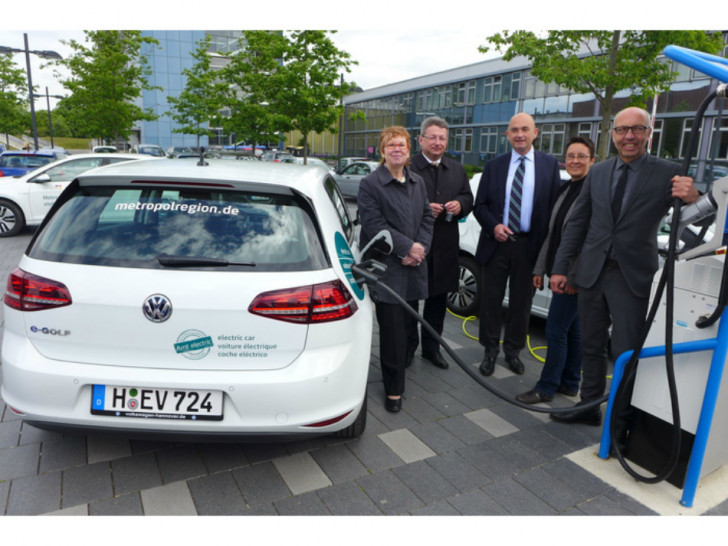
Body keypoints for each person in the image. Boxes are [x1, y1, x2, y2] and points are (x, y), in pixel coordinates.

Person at [549, 107, 698, 426]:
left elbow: (697, 216)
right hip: (591, 273)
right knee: (590, 344)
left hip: (632, 277)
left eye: (636, 129)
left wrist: (692, 196)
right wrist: (561, 268)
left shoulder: (668, 171)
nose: (628, 136)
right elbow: (578, 223)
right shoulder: (599, 172)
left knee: (626, 351)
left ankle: (621, 422)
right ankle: (587, 406)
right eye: (622, 130)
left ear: (649, 132)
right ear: (613, 134)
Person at [474, 112, 562, 376]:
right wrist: (494, 225)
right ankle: (489, 351)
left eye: (525, 129)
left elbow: (554, 210)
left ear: (535, 133)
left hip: (529, 247)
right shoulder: (494, 166)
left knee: (521, 305)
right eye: (514, 130)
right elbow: (480, 206)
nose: (520, 134)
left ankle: (513, 351)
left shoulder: (549, 165)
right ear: (507, 135)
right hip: (497, 244)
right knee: (490, 302)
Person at [358, 126, 434, 413]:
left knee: (407, 324)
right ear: (383, 151)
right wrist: (405, 249)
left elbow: (427, 216)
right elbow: (374, 225)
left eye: (401, 145)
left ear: (408, 150)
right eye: (391, 145)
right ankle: (394, 390)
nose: (397, 149)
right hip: (388, 268)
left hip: (413, 266)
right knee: (391, 331)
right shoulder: (370, 184)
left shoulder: (418, 182)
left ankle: (402, 366)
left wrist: (420, 248)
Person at [516, 137, 595, 404]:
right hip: (556, 269)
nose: (575, 161)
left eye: (581, 156)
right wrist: (541, 268)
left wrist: (573, 277)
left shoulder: (593, 193)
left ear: (592, 160)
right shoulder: (565, 189)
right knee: (572, 331)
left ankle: (546, 388)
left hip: (572, 276)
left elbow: (589, 241)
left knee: (556, 331)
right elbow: (553, 235)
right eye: (571, 156)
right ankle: (570, 383)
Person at [409, 116, 473, 369]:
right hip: (415, 246)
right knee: (410, 303)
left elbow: (468, 197)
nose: (437, 142)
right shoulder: (408, 167)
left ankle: (431, 349)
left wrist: (461, 205)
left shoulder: (456, 169)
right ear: (421, 139)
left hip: (445, 247)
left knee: (437, 304)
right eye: (432, 137)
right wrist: (423, 208)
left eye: (442, 138)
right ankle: (407, 349)